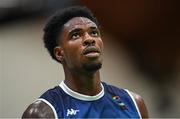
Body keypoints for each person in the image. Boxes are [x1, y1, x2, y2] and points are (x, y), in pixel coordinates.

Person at [22, 6, 148, 118]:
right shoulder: (43, 112)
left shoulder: (134, 102)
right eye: (76, 35)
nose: (89, 39)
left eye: (94, 33)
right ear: (60, 53)